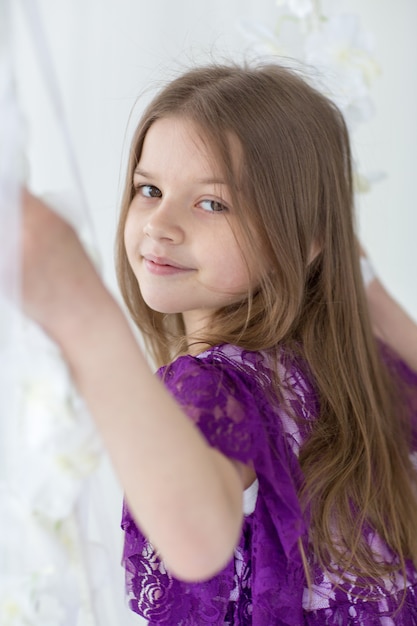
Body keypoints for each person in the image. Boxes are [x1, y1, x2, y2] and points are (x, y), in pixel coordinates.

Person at [21, 62, 417, 625]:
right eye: (148, 189)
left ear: (304, 239)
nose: (160, 223)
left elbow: (194, 535)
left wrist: (84, 315)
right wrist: (361, 279)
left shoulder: (213, 384)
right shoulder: (333, 372)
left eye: (212, 203)